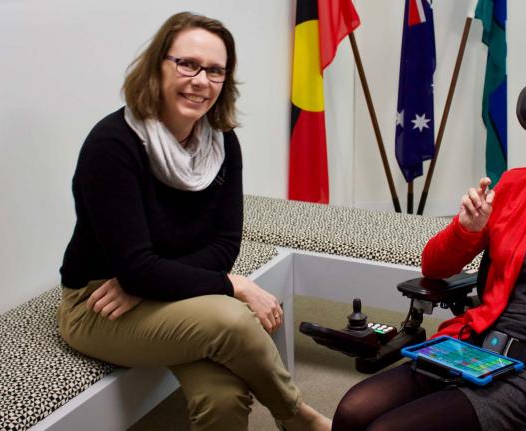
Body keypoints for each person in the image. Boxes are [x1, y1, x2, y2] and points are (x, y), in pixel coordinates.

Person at [332, 63, 526, 431]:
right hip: (477, 345)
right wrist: (466, 230)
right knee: (353, 411)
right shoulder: (513, 186)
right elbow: (433, 267)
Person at [57, 12, 330, 431]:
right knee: (235, 318)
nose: (201, 80)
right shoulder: (113, 145)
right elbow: (136, 268)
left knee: (223, 397)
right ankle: (298, 417)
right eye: (187, 64)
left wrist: (150, 280)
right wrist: (232, 283)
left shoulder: (222, 143)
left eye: (216, 71)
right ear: (157, 66)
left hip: (156, 290)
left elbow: (225, 245)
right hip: (98, 305)